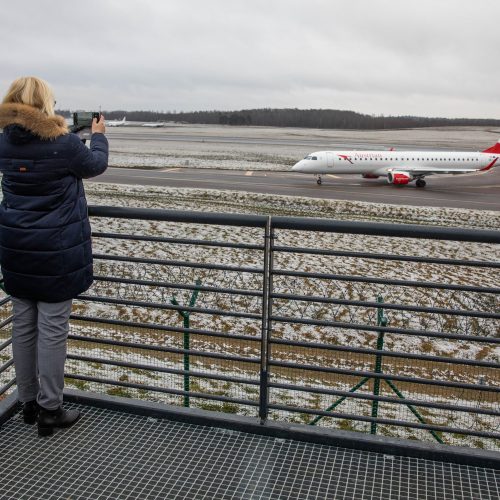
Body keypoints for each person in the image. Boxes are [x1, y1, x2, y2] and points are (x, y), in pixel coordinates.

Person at [0, 76, 108, 437]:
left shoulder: (4, 141)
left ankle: (28, 402)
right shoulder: (62, 143)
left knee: (23, 324)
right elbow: (95, 165)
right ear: (46, 103)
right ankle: (50, 409)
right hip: (56, 253)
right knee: (51, 331)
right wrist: (99, 136)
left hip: (16, 247)